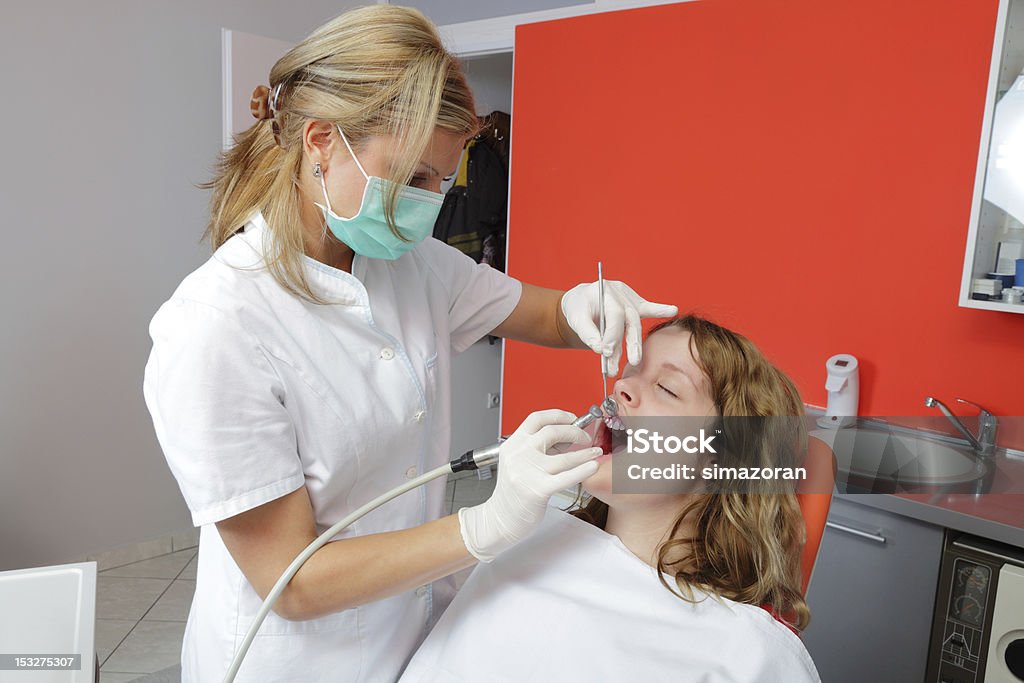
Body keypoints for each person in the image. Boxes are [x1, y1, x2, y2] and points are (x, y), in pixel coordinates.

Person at [141, 6, 677, 682]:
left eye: (443, 180)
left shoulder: (411, 262)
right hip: (295, 663)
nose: (430, 202)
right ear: (320, 143)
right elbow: (294, 581)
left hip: (418, 642)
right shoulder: (216, 328)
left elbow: (543, 317)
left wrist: (582, 305)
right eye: (412, 176)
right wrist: (482, 527)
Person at [401, 315, 822, 682]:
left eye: (667, 388)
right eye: (629, 371)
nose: (621, 386)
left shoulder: (746, 653)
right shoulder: (528, 534)